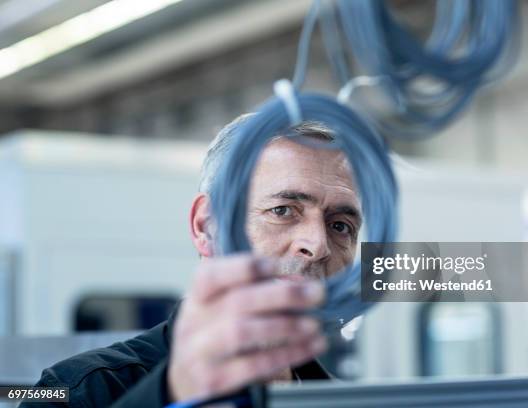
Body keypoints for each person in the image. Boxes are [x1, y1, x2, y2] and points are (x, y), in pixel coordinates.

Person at [24, 117, 363, 407]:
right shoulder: (78, 392)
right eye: (282, 211)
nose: (318, 246)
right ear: (206, 226)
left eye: (339, 226)